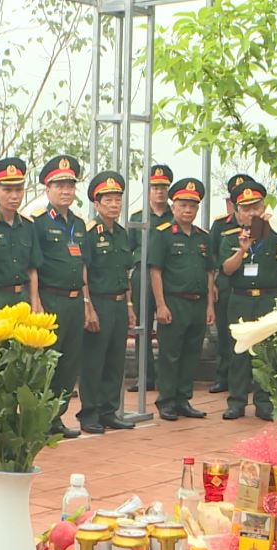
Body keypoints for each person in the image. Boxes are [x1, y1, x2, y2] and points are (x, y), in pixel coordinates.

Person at [32, 154, 90, 439]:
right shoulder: (38, 223)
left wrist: (87, 303)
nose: (66, 191)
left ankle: (57, 417)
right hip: (50, 298)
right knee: (47, 363)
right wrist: (37, 303)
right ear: (47, 189)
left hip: (74, 300)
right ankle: (40, 417)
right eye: (59, 185)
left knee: (69, 362)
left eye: (70, 185)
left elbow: (83, 267)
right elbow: (33, 266)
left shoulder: (79, 225)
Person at [148, 178, 215, 421]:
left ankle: (183, 399)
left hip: (197, 303)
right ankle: (166, 401)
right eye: (183, 205)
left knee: (191, 353)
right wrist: (160, 305)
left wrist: (209, 306)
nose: (188, 210)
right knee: (170, 354)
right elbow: (155, 271)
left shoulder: (202, 237)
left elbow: (209, 272)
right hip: (173, 302)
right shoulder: (163, 234)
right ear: (173, 207)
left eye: (192, 206)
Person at [77, 171, 136, 434]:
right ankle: (89, 413)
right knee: (94, 360)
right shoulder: (89, 232)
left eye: (117, 200)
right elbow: (84, 270)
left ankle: (108, 410)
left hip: (119, 302)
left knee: (115, 359)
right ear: (96, 204)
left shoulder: (123, 233)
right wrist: (87, 304)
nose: (114, 205)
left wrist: (130, 306)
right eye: (108, 200)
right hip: (98, 301)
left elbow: (126, 272)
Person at [219, 181, 277, 421]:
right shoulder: (230, 236)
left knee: (265, 352)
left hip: (267, 298)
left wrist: (273, 224)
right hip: (240, 299)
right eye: (246, 209)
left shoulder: (273, 233)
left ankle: (264, 402)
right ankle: (236, 402)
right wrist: (242, 250)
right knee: (238, 352)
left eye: (256, 207)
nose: (251, 213)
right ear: (237, 212)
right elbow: (226, 269)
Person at [127, 165, 174, 393]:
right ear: (148, 190)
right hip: (142, 276)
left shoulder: (176, 216)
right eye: (155, 187)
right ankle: (144, 376)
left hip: (169, 278)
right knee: (141, 326)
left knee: (168, 326)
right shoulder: (137, 218)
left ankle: (168, 376)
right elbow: (128, 250)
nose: (159, 192)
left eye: (164, 187)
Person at [0, 158, 41, 311]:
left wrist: (35, 304)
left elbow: (32, 269)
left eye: (19, 189)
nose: (15, 196)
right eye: (8, 190)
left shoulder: (28, 225)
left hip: (22, 300)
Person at [208, 174, 252, 394]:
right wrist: (212, 284)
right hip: (225, 283)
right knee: (225, 333)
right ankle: (223, 376)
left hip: (250, 285)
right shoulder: (220, 225)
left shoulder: (262, 225)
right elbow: (212, 255)